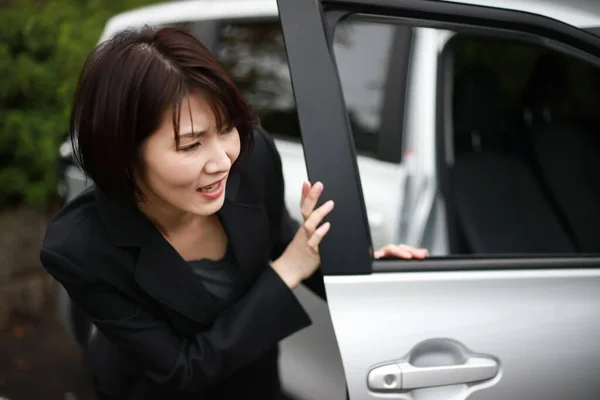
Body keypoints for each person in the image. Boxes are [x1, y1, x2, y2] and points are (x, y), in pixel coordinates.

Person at [39, 26, 429, 400]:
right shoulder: (79, 249)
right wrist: (288, 269)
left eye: (226, 129)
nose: (222, 160)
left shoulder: (253, 156)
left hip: (256, 385)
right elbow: (182, 369)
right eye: (191, 145)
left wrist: (367, 271)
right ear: (124, 154)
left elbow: (277, 236)